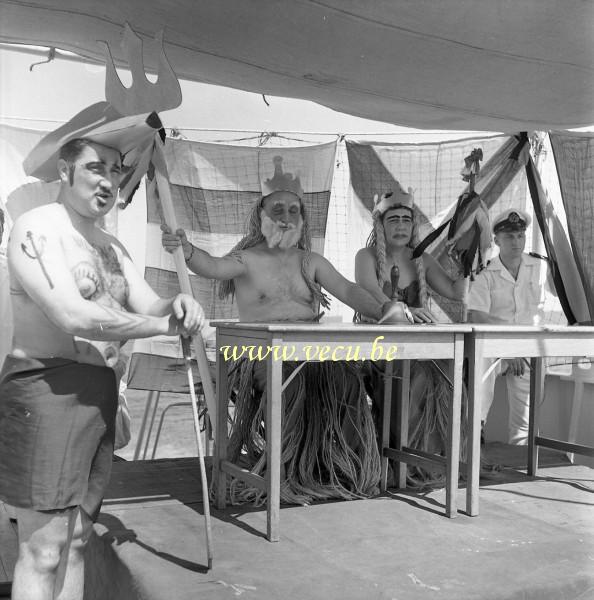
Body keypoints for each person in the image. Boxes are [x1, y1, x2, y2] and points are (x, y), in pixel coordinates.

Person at [0, 135, 204, 600]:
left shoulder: (110, 245)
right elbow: (72, 314)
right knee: (43, 549)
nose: (109, 180)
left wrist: (179, 304)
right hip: (46, 389)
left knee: (76, 541)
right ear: (66, 172)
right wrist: (158, 325)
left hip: (99, 394)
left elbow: (150, 300)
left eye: (116, 170)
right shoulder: (38, 229)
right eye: (96, 168)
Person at [162, 156, 401, 504]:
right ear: (261, 215)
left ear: (302, 218)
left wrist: (384, 309)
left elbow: (348, 291)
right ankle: (287, 473)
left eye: (293, 210)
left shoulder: (311, 261)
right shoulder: (246, 259)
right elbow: (211, 266)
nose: (286, 217)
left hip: (312, 351)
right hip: (261, 354)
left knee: (347, 382)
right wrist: (188, 251)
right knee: (288, 381)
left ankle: (342, 469)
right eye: (278, 209)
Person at [354, 186, 469, 484]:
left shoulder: (423, 259)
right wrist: (404, 310)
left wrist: (470, 257)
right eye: (394, 220)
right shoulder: (365, 257)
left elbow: (456, 293)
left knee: (448, 372)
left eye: (407, 219)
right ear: (381, 225)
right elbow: (371, 295)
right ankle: (405, 462)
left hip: (417, 347)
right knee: (413, 373)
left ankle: (434, 463)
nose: (401, 225)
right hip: (377, 348)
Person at [467, 207, 550, 445]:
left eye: (520, 235)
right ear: (497, 240)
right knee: (478, 396)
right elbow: (478, 317)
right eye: (509, 236)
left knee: (526, 419)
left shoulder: (541, 267)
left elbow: (565, 290)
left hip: (528, 347)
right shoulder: (485, 274)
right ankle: (475, 440)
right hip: (493, 346)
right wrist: (507, 349)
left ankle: (521, 463)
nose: (516, 242)